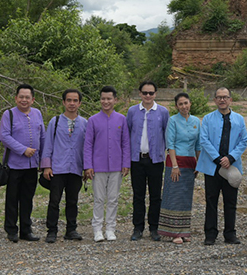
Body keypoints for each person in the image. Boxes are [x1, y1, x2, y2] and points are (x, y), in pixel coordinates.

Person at [196, 88, 247, 245]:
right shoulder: (207, 119)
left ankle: (230, 233)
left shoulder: (239, 119)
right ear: (214, 100)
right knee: (211, 200)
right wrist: (218, 158)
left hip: (231, 166)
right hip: (212, 166)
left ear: (230, 99)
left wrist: (231, 157)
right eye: (219, 97)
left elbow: (243, 141)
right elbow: (204, 140)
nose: (222, 100)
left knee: (230, 201)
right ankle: (210, 234)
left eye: (225, 97)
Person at [84, 85, 130, 243]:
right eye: (103, 98)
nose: (106, 101)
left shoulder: (121, 119)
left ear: (115, 100)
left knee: (113, 198)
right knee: (98, 198)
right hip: (98, 166)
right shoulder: (93, 120)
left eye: (109, 98)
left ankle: (110, 228)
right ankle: (97, 229)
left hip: (117, 166)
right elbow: (88, 144)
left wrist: (126, 163)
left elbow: (125, 143)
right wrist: (88, 165)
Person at [0, 84, 46, 242]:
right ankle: (11, 230)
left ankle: (26, 229)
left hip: (32, 165)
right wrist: (23, 149)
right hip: (14, 165)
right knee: (12, 198)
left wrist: (44, 161)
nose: (24, 100)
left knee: (28, 198)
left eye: (27, 97)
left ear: (33, 100)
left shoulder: (37, 114)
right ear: (16, 98)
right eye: (21, 97)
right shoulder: (9, 114)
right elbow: (4, 136)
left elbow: (43, 138)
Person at [41, 89, 88, 243]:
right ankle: (52, 230)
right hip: (57, 168)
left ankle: (71, 229)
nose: (72, 103)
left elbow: (88, 147)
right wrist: (46, 166)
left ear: (80, 103)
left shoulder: (85, 123)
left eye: (75, 100)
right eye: (69, 100)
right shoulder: (55, 122)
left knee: (73, 200)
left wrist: (87, 167)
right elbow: (48, 145)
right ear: (63, 102)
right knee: (54, 200)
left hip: (75, 167)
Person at [127, 81, 170, 242]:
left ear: (155, 94)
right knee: (138, 195)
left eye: (151, 93)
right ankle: (138, 228)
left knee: (155, 195)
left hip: (156, 160)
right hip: (137, 159)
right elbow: (128, 133)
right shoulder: (132, 112)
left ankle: (154, 227)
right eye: (145, 93)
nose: (147, 96)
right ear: (139, 94)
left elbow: (167, 134)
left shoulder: (163, 112)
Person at [159, 92, 202, 244]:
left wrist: (199, 163)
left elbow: (198, 145)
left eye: (186, 103)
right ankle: (173, 233)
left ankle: (184, 231)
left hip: (191, 163)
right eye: (180, 104)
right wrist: (175, 165)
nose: (184, 106)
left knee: (186, 197)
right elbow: (170, 144)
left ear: (190, 104)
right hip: (175, 162)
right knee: (174, 196)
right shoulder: (173, 121)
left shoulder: (196, 121)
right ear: (177, 106)